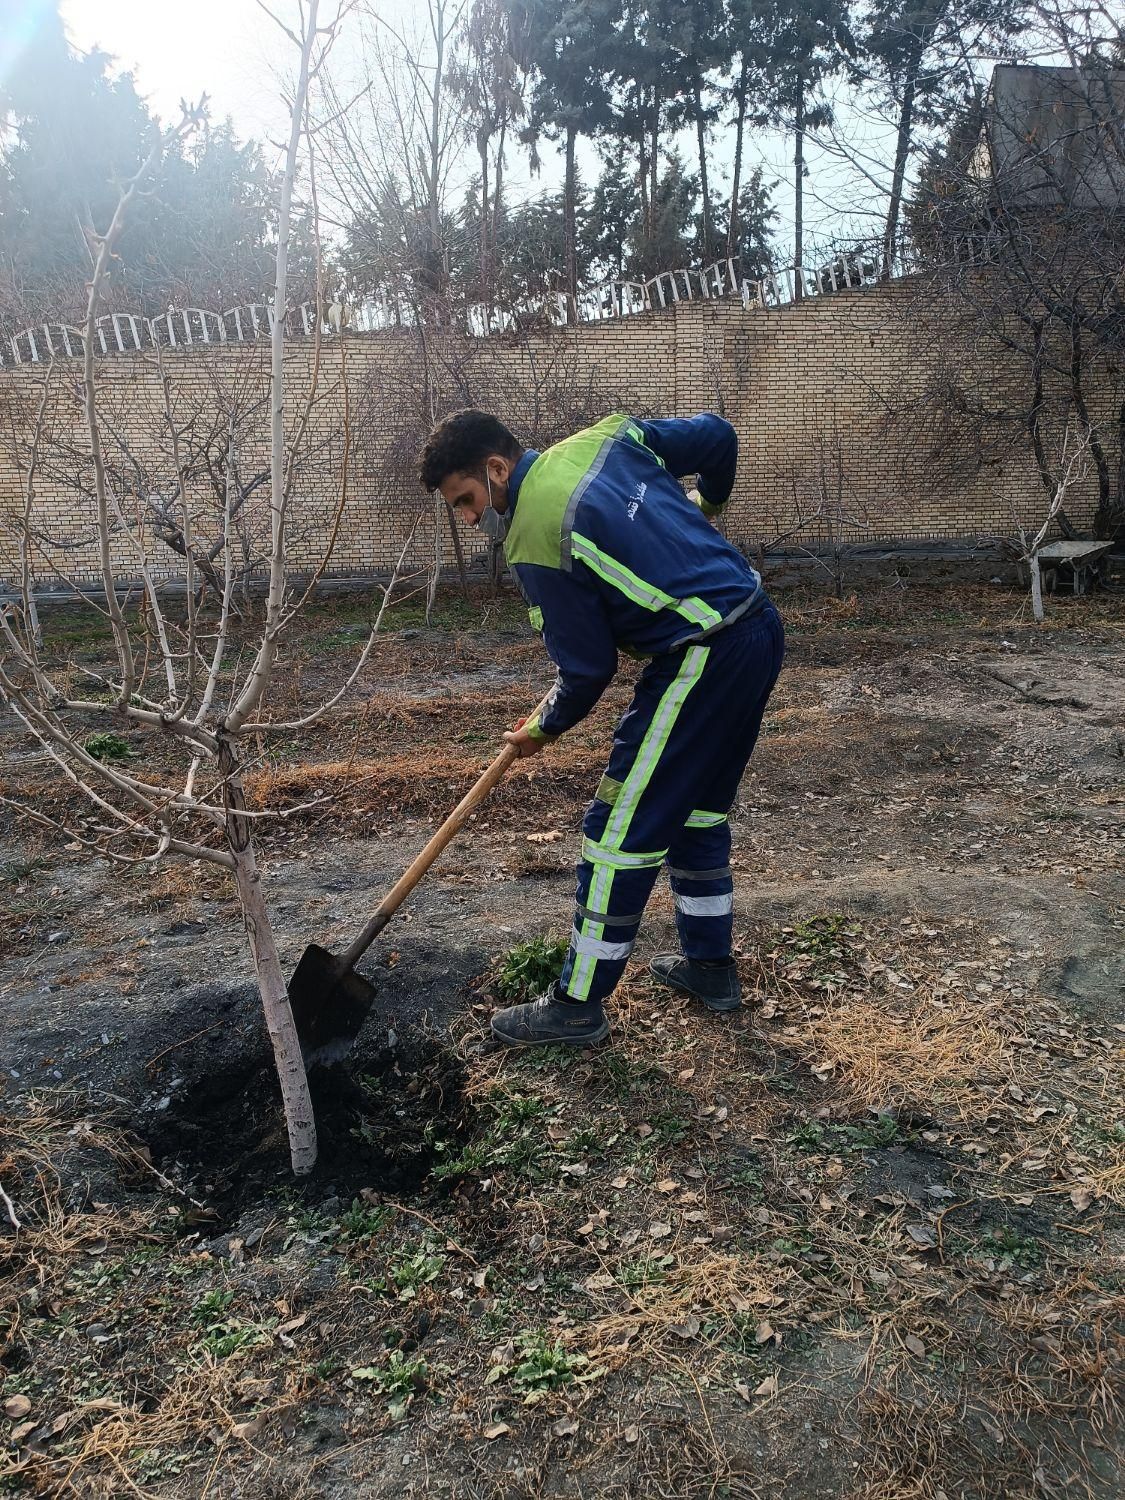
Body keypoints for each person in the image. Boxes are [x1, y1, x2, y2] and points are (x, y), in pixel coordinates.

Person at [418, 409, 784, 1048]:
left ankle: (577, 1005)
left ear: (496, 469)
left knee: (616, 833)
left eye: (467, 500)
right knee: (696, 814)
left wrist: (542, 729)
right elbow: (719, 438)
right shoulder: (605, 438)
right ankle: (710, 968)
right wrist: (707, 507)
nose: (471, 519)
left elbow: (587, 670)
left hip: (701, 654)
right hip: (756, 623)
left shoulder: (536, 532)